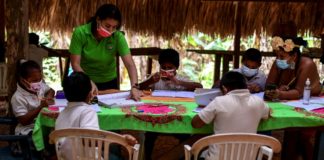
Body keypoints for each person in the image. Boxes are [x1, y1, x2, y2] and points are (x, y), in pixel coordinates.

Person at [55, 72, 137, 159]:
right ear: (90, 95)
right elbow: (89, 140)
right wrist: (121, 139)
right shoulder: (87, 112)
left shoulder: (61, 114)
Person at [69, 4, 141, 100]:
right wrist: (88, 82)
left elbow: (130, 64)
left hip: (109, 82)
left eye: (114, 27)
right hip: (85, 82)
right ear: (98, 20)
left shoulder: (118, 36)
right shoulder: (80, 33)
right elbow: (75, 64)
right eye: (107, 26)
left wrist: (134, 87)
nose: (110, 30)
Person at [191, 71, 270, 160]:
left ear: (224, 88)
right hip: (247, 158)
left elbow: (195, 124)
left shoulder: (219, 101)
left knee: (201, 151)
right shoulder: (259, 102)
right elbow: (267, 114)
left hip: (218, 158)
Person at [265, 36, 321, 100]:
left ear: (294, 56)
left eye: (282, 56)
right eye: (276, 56)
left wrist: (280, 94)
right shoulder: (278, 62)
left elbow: (299, 93)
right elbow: (268, 86)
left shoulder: (307, 65)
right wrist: (277, 90)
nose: (278, 59)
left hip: (312, 99)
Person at [11, 59, 55, 136]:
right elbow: (24, 121)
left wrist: (48, 97)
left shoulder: (40, 87)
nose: (38, 83)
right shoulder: (17, 97)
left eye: (40, 79)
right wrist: (40, 107)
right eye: (34, 80)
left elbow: (51, 90)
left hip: (42, 125)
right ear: (23, 80)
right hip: (28, 131)